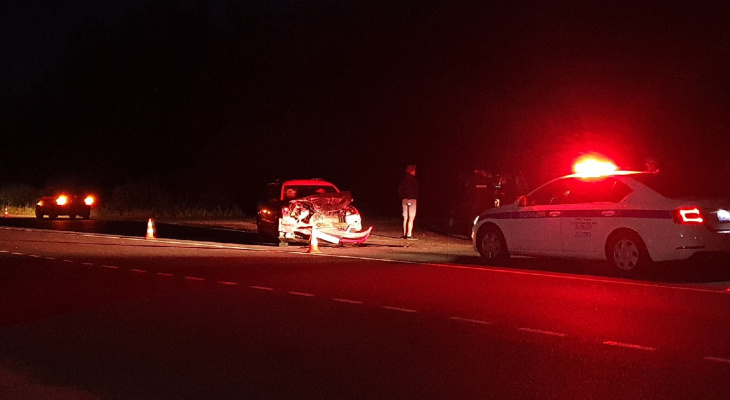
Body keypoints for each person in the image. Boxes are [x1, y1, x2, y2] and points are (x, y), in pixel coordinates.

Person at [398, 164, 418, 239]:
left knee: (405, 218)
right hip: (412, 200)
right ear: (411, 171)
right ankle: (409, 234)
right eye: (414, 170)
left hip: (404, 200)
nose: (415, 172)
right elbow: (416, 190)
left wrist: (402, 197)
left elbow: (400, 189)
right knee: (411, 218)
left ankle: (404, 234)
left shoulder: (403, 180)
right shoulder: (413, 180)